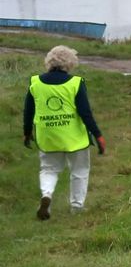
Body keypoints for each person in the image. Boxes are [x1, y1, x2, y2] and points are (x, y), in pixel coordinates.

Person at [23, 45, 106, 219]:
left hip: (48, 136)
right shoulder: (75, 83)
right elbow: (85, 113)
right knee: (79, 170)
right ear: (70, 62)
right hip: (74, 138)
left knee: (49, 169)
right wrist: (98, 135)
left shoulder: (35, 82)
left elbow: (28, 111)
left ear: (49, 61)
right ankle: (76, 207)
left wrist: (27, 132)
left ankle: (47, 194)